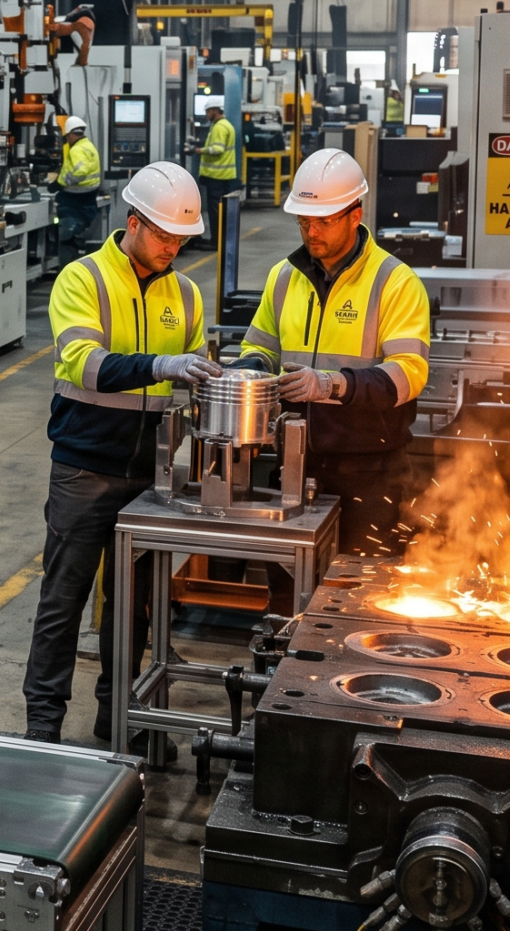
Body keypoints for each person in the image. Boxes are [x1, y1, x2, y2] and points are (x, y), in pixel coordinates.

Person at [23, 161, 220, 744]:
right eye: (163, 235)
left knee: (131, 610)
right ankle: (43, 727)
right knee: (63, 601)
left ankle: (120, 720)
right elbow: (82, 362)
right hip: (85, 467)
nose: (173, 248)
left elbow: (194, 374)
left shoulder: (184, 293)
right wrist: (161, 366)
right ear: (133, 222)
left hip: (151, 474)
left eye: (182, 239)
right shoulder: (82, 279)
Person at [232, 148, 432, 554]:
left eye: (322, 222)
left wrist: (331, 385)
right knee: (288, 590)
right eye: (304, 222)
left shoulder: (395, 282)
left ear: (354, 216)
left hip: (370, 472)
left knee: (356, 596)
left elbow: (410, 373)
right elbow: (259, 345)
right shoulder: (284, 276)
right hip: (294, 463)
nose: (311, 233)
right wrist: (247, 371)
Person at [53, 115, 103, 260]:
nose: (67, 140)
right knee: (75, 237)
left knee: (67, 239)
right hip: (88, 199)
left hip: (74, 201)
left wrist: (61, 183)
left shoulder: (76, 150)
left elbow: (80, 172)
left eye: (67, 136)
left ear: (71, 134)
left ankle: (66, 271)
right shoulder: (89, 146)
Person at [193, 103, 239, 251]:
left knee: (215, 212)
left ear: (215, 111)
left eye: (208, 111)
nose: (206, 114)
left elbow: (218, 149)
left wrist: (200, 150)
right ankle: (219, 240)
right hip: (224, 175)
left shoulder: (219, 127)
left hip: (216, 176)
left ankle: (215, 241)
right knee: (220, 211)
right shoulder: (226, 125)